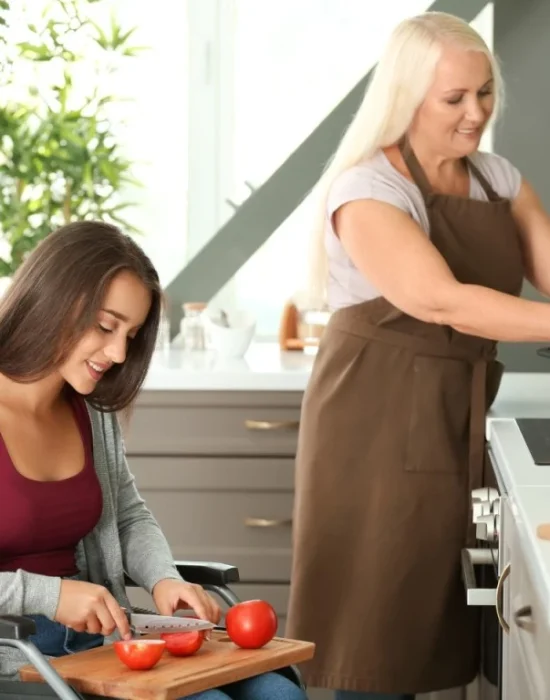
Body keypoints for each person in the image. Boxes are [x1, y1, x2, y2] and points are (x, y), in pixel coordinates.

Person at [285, 9, 550, 700]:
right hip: (373, 423)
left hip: (456, 413)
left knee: (444, 612)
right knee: (375, 633)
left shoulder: (498, 179)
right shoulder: (369, 190)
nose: (476, 114)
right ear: (406, 98)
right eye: (455, 98)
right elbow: (440, 300)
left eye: (486, 92)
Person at [0, 221, 306, 700]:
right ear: (52, 299)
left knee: (278, 695)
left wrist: (163, 578)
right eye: (105, 326)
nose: (119, 352)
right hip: (16, 656)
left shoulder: (88, 409)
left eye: (132, 333)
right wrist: (51, 595)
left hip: (106, 641)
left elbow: (127, 514)